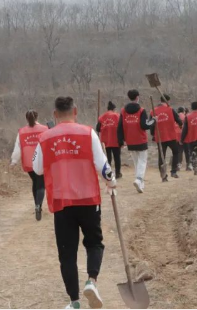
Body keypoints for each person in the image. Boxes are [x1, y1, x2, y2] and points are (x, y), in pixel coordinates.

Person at [32, 96, 116, 310]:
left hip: (61, 202)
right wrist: (111, 182)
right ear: (75, 111)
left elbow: (37, 169)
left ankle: (74, 302)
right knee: (94, 243)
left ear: (55, 114)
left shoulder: (45, 138)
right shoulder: (88, 133)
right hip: (88, 199)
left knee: (67, 253)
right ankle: (92, 281)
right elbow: (103, 165)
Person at [10, 110, 48, 221]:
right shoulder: (45, 129)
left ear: (26, 118)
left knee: (35, 182)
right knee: (41, 184)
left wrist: (14, 161)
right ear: (37, 117)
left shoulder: (22, 132)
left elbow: (18, 147)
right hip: (41, 161)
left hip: (28, 161)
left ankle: (36, 205)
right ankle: (38, 206)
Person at [117, 89, 155, 193]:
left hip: (130, 140)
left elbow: (119, 127)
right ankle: (138, 179)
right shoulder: (141, 110)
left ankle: (140, 183)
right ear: (137, 97)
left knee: (136, 162)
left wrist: (120, 141)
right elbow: (144, 125)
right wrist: (153, 121)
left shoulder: (123, 111)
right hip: (141, 139)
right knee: (142, 161)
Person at [150, 94, 183, 181]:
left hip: (160, 137)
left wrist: (153, 134)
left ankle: (163, 176)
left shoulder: (153, 111)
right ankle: (173, 171)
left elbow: (151, 125)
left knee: (161, 156)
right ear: (168, 101)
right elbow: (179, 121)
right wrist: (180, 125)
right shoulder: (171, 109)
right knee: (176, 152)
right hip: (171, 136)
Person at [96, 101, 122, 179]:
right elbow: (121, 128)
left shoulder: (102, 117)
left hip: (106, 141)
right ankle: (118, 173)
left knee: (108, 158)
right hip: (115, 140)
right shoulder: (117, 116)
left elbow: (98, 129)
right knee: (117, 157)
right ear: (114, 109)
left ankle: (108, 173)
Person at [175, 106, 186, 171]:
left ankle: (176, 163)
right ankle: (179, 163)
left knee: (176, 150)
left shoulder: (175, 116)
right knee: (181, 150)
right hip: (182, 135)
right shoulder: (185, 116)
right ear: (183, 111)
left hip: (175, 135)